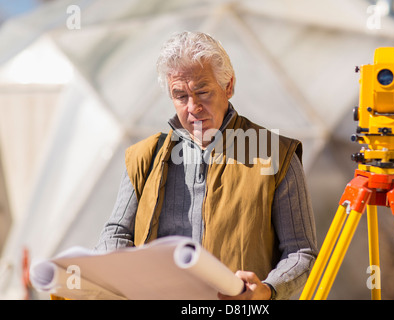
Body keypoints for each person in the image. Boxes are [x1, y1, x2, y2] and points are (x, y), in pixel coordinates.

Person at [95, 31, 317, 300]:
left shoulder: (277, 156)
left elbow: (301, 253)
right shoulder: (146, 155)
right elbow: (116, 232)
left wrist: (267, 290)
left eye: (202, 92)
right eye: (180, 96)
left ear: (229, 86)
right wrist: (116, 273)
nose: (193, 107)